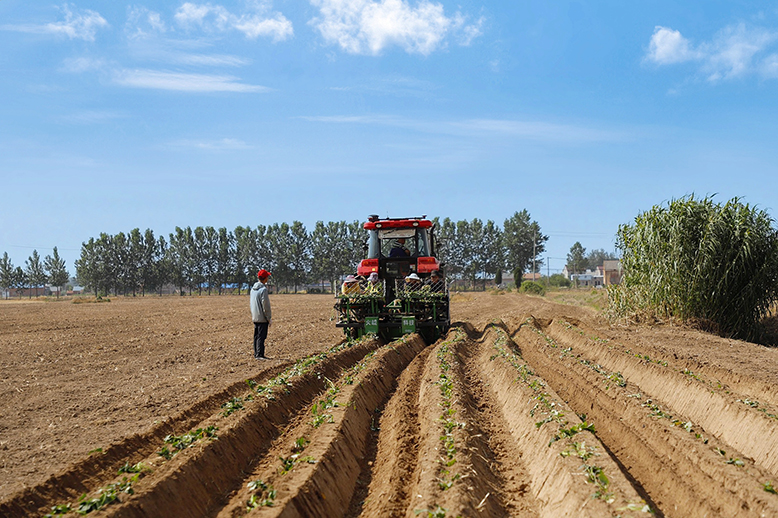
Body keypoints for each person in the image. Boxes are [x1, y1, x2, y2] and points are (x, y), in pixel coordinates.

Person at [250, 269, 272, 360]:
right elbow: (265, 305)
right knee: (261, 337)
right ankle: (260, 355)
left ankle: (256, 353)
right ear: (265, 278)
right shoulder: (263, 290)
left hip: (255, 316)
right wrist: (268, 318)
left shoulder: (253, 289)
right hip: (262, 318)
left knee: (256, 336)